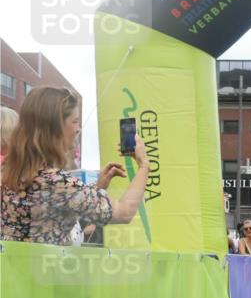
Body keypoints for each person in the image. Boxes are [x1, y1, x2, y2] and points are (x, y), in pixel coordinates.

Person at [1, 86, 149, 245]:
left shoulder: (8, 173)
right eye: (75, 121)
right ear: (56, 126)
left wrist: (95, 188)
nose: (78, 129)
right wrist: (144, 165)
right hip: (44, 268)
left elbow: (56, 204)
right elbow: (124, 212)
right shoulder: (58, 183)